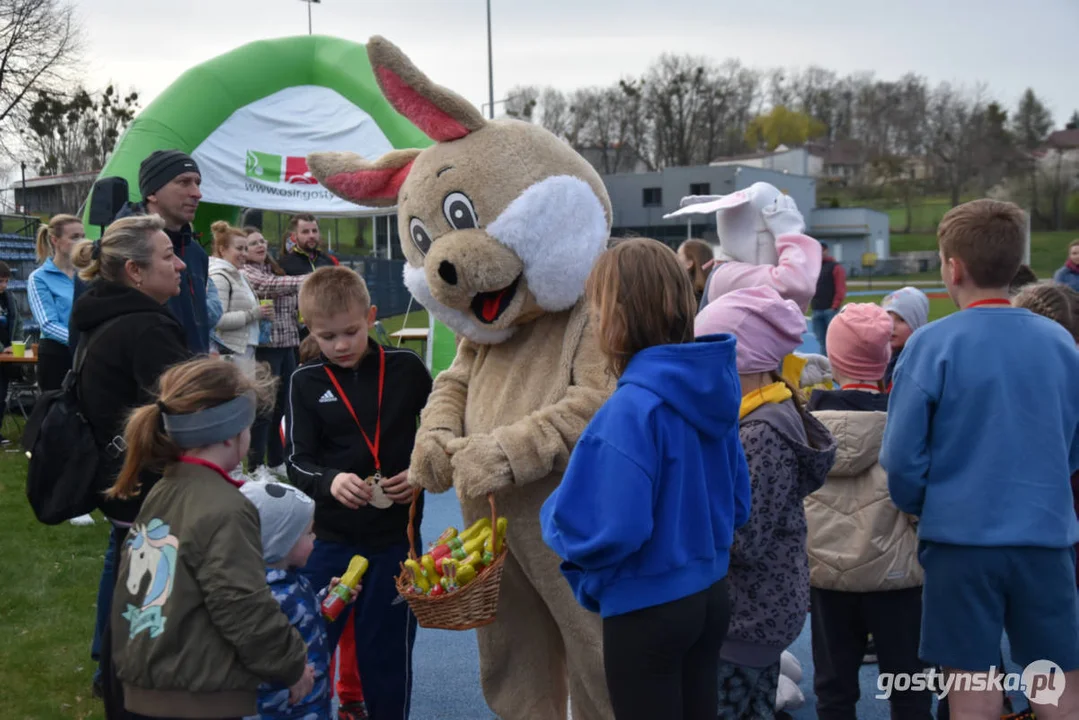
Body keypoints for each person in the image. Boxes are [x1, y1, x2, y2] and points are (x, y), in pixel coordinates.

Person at [882, 200, 1079, 719]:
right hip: (1046, 538)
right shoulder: (1061, 342)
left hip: (960, 544)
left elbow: (901, 459)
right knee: (1056, 690)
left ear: (953, 267)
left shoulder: (929, 346)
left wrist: (929, 503)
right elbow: (1073, 442)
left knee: (972, 693)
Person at [540, 238, 749, 720]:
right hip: (711, 594)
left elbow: (610, 530)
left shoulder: (628, 411)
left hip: (648, 608)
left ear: (617, 315)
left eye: (596, 305)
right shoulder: (716, 391)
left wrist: (555, 519)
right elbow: (739, 502)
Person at [107, 357, 313, 720]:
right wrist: (292, 665)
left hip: (142, 681)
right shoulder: (226, 508)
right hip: (196, 694)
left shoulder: (164, 491)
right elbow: (242, 606)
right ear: (234, 433)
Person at [286, 266, 432, 720]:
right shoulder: (304, 382)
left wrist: (420, 471)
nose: (342, 345)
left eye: (351, 331)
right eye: (327, 337)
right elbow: (295, 460)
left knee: (386, 656)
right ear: (309, 330)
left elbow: (440, 434)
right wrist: (329, 480)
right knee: (308, 651)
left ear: (371, 316)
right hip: (329, 543)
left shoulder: (406, 368)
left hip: (395, 542)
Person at [695, 285, 837, 720]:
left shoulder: (761, 434)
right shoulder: (765, 414)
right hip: (762, 608)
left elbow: (745, 538)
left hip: (750, 614)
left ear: (739, 362)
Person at [69, 214, 193, 709]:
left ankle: (121, 684)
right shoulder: (145, 327)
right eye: (167, 256)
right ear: (136, 272)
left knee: (130, 589)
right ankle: (135, 695)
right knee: (149, 605)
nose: (181, 263)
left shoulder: (105, 315)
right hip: (147, 488)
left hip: (120, 483)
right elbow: (178, 415)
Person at [805, 304, 930, 720]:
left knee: (833, 693)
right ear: (884, 357)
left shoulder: (801, 425)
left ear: (833, 356)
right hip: (897, 577)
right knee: (910, 687)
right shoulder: (908, 422)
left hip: (827, 579)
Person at [239, 480, 361, 720]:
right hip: (285, 707)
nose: (314, 538)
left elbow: (304, 617)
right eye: (307, 533)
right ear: (281, 542)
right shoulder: (266, 597)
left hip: (311, 700)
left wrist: (328, 597)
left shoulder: (293, 581)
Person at [71, 150, 211, 355]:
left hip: (190, 381)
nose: (197, 193)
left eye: (197, 183)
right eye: (184, 182)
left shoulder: (196, 254)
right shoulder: (115, 251)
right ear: (152, 193)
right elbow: (82, 339)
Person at [241, 227, 307, 478]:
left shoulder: (275, 269)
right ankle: (256, 466)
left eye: (261, 240)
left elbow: (286, 294)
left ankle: (276, 460)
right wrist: (308, 279)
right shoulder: (247, 273)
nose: (260, 246)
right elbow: (269, 286)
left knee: (282, 407)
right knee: (264, 409)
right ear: (243, 251)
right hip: (265, 349)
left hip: (288, 344)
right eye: (252, 244)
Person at [28, 213, 84, 390]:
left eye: (83, 236)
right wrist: (81, 342)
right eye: (74, 237)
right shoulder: (39, 278)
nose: (81, 241)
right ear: (55, 240)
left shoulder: (87, 274)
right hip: (56, 357)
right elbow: (48, 324)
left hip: (87, 355)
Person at [208, 222, 271, 367]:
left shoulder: (239, 275)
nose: (244, 254)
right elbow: (217, 320)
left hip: (245, 349)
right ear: (223, 250)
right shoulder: (219, 277)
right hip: (231, 353)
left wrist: (263, 317)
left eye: (245, 249)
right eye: (239, 249)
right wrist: (253, 314)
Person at [880, 287, 929, 389]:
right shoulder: (882, 357)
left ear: (917, 324)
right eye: (887, 318)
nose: (892, 325)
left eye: (901, 320)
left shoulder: (919, 366)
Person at [810, 243, 847, 355]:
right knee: (822, 342)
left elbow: (840, 288)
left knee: (833, 342)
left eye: (822, 250)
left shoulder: (835, 267)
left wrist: (834, 306)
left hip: (830, 310)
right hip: (816, 309)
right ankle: (826, 366)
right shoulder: (814, 268)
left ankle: (835, 365)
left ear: (826, 251)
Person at [0, 262, 23, 445]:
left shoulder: (10, 298)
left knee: (1, 395)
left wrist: (16, 342)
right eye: (1, 281)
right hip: (3, 352)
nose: (4, 286)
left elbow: (18, 323)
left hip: (7, 356)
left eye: (6, 281)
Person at [677, 238, 714, 306]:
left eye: (678, 255)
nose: (675, 259)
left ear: (689, 263)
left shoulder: (684, 298)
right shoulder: (715, 293)